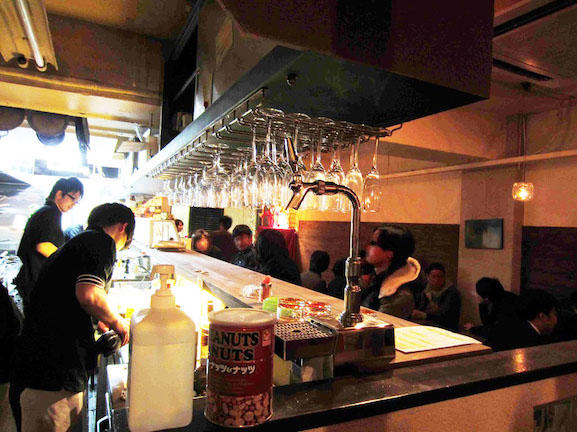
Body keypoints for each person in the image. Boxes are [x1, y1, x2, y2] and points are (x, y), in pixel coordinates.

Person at [9, 203, 134, 432]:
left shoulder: (80, 242)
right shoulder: (101, 242)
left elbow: (74, 296)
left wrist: (99, 317)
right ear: (123, 227)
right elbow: (89, 294)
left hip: (38, 370)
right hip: (52, 377)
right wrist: (119, 322)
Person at [13, 177, 84, 310]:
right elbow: (44, 246)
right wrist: (69, 263)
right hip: (35, 282)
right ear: (59, 194)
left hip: (31, 281)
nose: (74, 204)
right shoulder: (51, 213)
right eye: (72, 198)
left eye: (77, 202)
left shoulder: (45, 211)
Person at [361, 225, 421, 319]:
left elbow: (378, 324)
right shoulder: (374, 278)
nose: (367, 247)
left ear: (389, 254)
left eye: (373, 243)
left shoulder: (399, 295)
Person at [486, 289, 558, 351]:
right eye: (554, 314)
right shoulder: (533, 344)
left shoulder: (507, 325)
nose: (556, 319)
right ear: (542, 316)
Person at [411, 263, 461, 331]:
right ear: (428, 277)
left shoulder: (452, 293)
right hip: (425, 326)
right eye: (433, 276)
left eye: (440, 277)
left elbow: (447, 317)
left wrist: (424, 315)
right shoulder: (423, 289)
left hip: (444, 328)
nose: (437, 279)